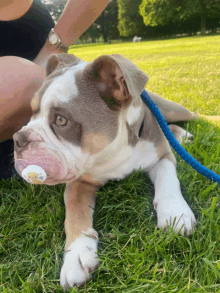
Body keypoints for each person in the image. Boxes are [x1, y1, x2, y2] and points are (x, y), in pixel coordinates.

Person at [0, 0, 110, 179]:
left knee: (26, 81)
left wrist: (54, 46)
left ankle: (162, 113)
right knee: (22, 80)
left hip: (35, 31)